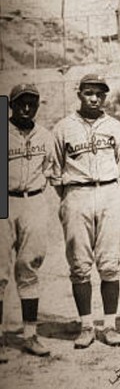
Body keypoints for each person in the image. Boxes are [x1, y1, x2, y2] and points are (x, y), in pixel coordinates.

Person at [51, 73, 120, 349]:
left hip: (108, 191)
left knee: (110, 263)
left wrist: (108, 189)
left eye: (99, 93)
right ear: (79, 94)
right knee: (80, 264)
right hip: (76, 192)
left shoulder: (115, 127)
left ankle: (109, 325)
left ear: (105, 96)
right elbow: (55, 170)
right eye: (88, 93)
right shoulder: (63, 128)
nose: (94, 98)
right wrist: (72, 195)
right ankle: (86, 326)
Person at [1, 84, 54, 359]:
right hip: (4, 199)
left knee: (29, 266)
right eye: (21, 102)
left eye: (31, 103)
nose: (26, 107)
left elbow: (51, 170)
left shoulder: (45, 135)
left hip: (34, 198)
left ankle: (30, 335)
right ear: (11, 104)